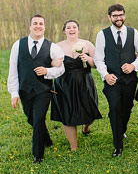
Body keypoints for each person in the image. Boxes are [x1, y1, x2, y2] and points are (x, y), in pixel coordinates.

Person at [7, 14, 65, 163]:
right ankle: (46, 139)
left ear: (44, 27)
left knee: (38, 119)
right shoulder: (18, 45)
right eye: (35, 23)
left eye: (41, 23)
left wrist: (48, 71)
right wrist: (14, 93)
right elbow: (13, 69)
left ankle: (38, 155)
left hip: (43, 91)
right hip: (25, 90)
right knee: (31, 119)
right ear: (30, 26)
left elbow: (61, 68)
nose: (38, 26)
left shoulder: (52, 47)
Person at [94, 4, 138, 157]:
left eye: (121, 15)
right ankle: (118, 145)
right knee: (115, 108)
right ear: (109, 17)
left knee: (127, 107)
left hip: (130, 80)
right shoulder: (102, 35)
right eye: (115, 15)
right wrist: (105, 75)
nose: (119, 18)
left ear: (125, 15)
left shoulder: (133, 32)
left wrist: (133, 65)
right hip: (112, 80)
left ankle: (121, 129)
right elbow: (98, 59)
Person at [51, 19, 102, 151]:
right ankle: (73, 146)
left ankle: (86, 126)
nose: (71, 29)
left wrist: (88, 59)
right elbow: (49, 64)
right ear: (64, 31)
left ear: (78, 30)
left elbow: (97, 64)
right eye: (68, 27)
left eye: (74, 27)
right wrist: (54, 63)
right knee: (67, 113)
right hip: (64, 84)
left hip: (85, 82)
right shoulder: (57, 46)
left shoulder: (87, 44)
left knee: (90, 110)